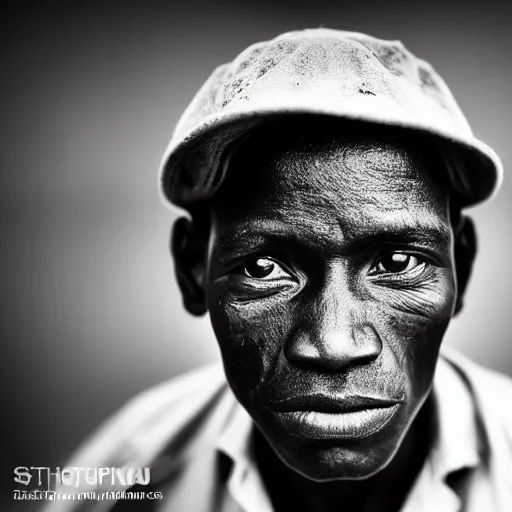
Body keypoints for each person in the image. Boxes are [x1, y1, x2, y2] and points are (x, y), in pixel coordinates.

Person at [46, 29, 512, 511]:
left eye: (397, 263)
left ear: (464, 265)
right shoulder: (124, 478)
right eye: (263, 267)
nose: (334, 344)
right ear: (192, 269)